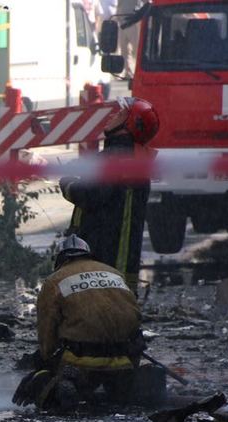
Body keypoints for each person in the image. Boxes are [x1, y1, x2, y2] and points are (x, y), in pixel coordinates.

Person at [13, 234, 164, 410]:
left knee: (41, 379)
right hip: (123, 359)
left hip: (81, 361)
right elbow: (134, 316)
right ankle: (125, 388)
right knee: (120, 392)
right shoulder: (114, 273)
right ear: (88, 255)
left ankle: (60, 388)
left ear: (60, 259)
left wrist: (45, 362)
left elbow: (47, 333)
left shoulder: (54, 281)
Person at [58, 97, 159, 293]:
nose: (113, 115)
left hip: (103, 258)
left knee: (97, 307)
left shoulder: (113, 158)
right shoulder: (134, 159)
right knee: (119, 306)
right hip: (120, 263)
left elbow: (90, 196)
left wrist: (67, 183)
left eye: (120, 114)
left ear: (130, 124)